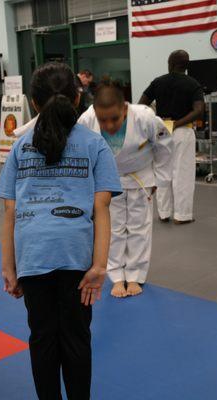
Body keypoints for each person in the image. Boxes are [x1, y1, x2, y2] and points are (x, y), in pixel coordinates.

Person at [0, 62, 121, 400]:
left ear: (33, 103)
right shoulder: (95, 145)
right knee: (77, 340)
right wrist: (99, 267)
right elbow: (102, 209)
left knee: (42, 339)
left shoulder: (20, 147)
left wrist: (9, 266)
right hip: (77, 257)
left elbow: (10, 211)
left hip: (33, 255)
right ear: (78, 98)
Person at [78, 80, 172, 297]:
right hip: (105, 180)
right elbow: (81, 150)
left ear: (125, 108)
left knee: (140, 227)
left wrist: (160, 179)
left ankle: (135, 276)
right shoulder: (86, 119)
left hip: (140, 177)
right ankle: (117, 277)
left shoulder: (145, 117)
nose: (109, 125)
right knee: (114, 229)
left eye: (114, 119)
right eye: (103, 120)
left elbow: (165, 147)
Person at [139, 50, 205, 224]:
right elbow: (199, 110)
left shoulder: (158, 82)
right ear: (186, 65)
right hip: (183, 131)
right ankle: (182, 215)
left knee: (162, 171)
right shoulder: (193, 84)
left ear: (170, 63)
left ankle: (163, 212)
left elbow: (141, 105)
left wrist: (156, 121)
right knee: (182, 173)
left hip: (161, 131)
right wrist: (177, 123)